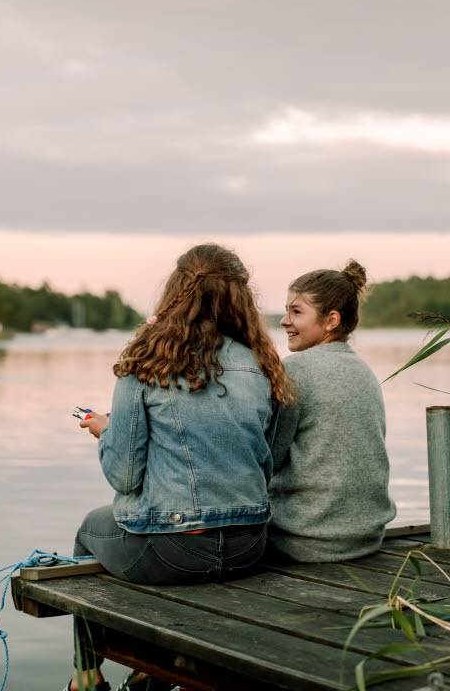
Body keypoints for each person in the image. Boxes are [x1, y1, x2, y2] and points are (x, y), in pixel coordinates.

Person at [67, 244, 293, 691]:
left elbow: (124, 477)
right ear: (240, 298)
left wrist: (107, 433)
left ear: (175, 291)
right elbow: (263, 463)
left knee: (89, 530)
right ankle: (150, 671)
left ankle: (86, 678)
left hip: (175, 551)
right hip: (249, 547)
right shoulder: (263, 365)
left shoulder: (146, 362)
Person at [268, 260, 396, 563]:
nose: (284, 321)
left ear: (331, 320)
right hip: (366, 537)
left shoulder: (294, 371)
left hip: (302, 540)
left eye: (296, 312)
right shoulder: (364, 371)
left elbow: (269, 457)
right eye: (286, 311)